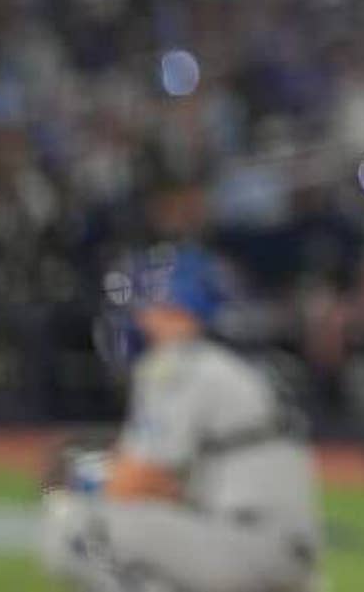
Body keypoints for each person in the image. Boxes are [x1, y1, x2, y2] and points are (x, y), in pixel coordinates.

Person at [39, 244, 322, 592]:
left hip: (244, 548)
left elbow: (142, 479)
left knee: (75, 529)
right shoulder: (241, 360)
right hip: (285, 557)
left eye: (149, 306)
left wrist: (81, 479)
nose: (140, 317)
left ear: (175, 308)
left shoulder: (182, 363)